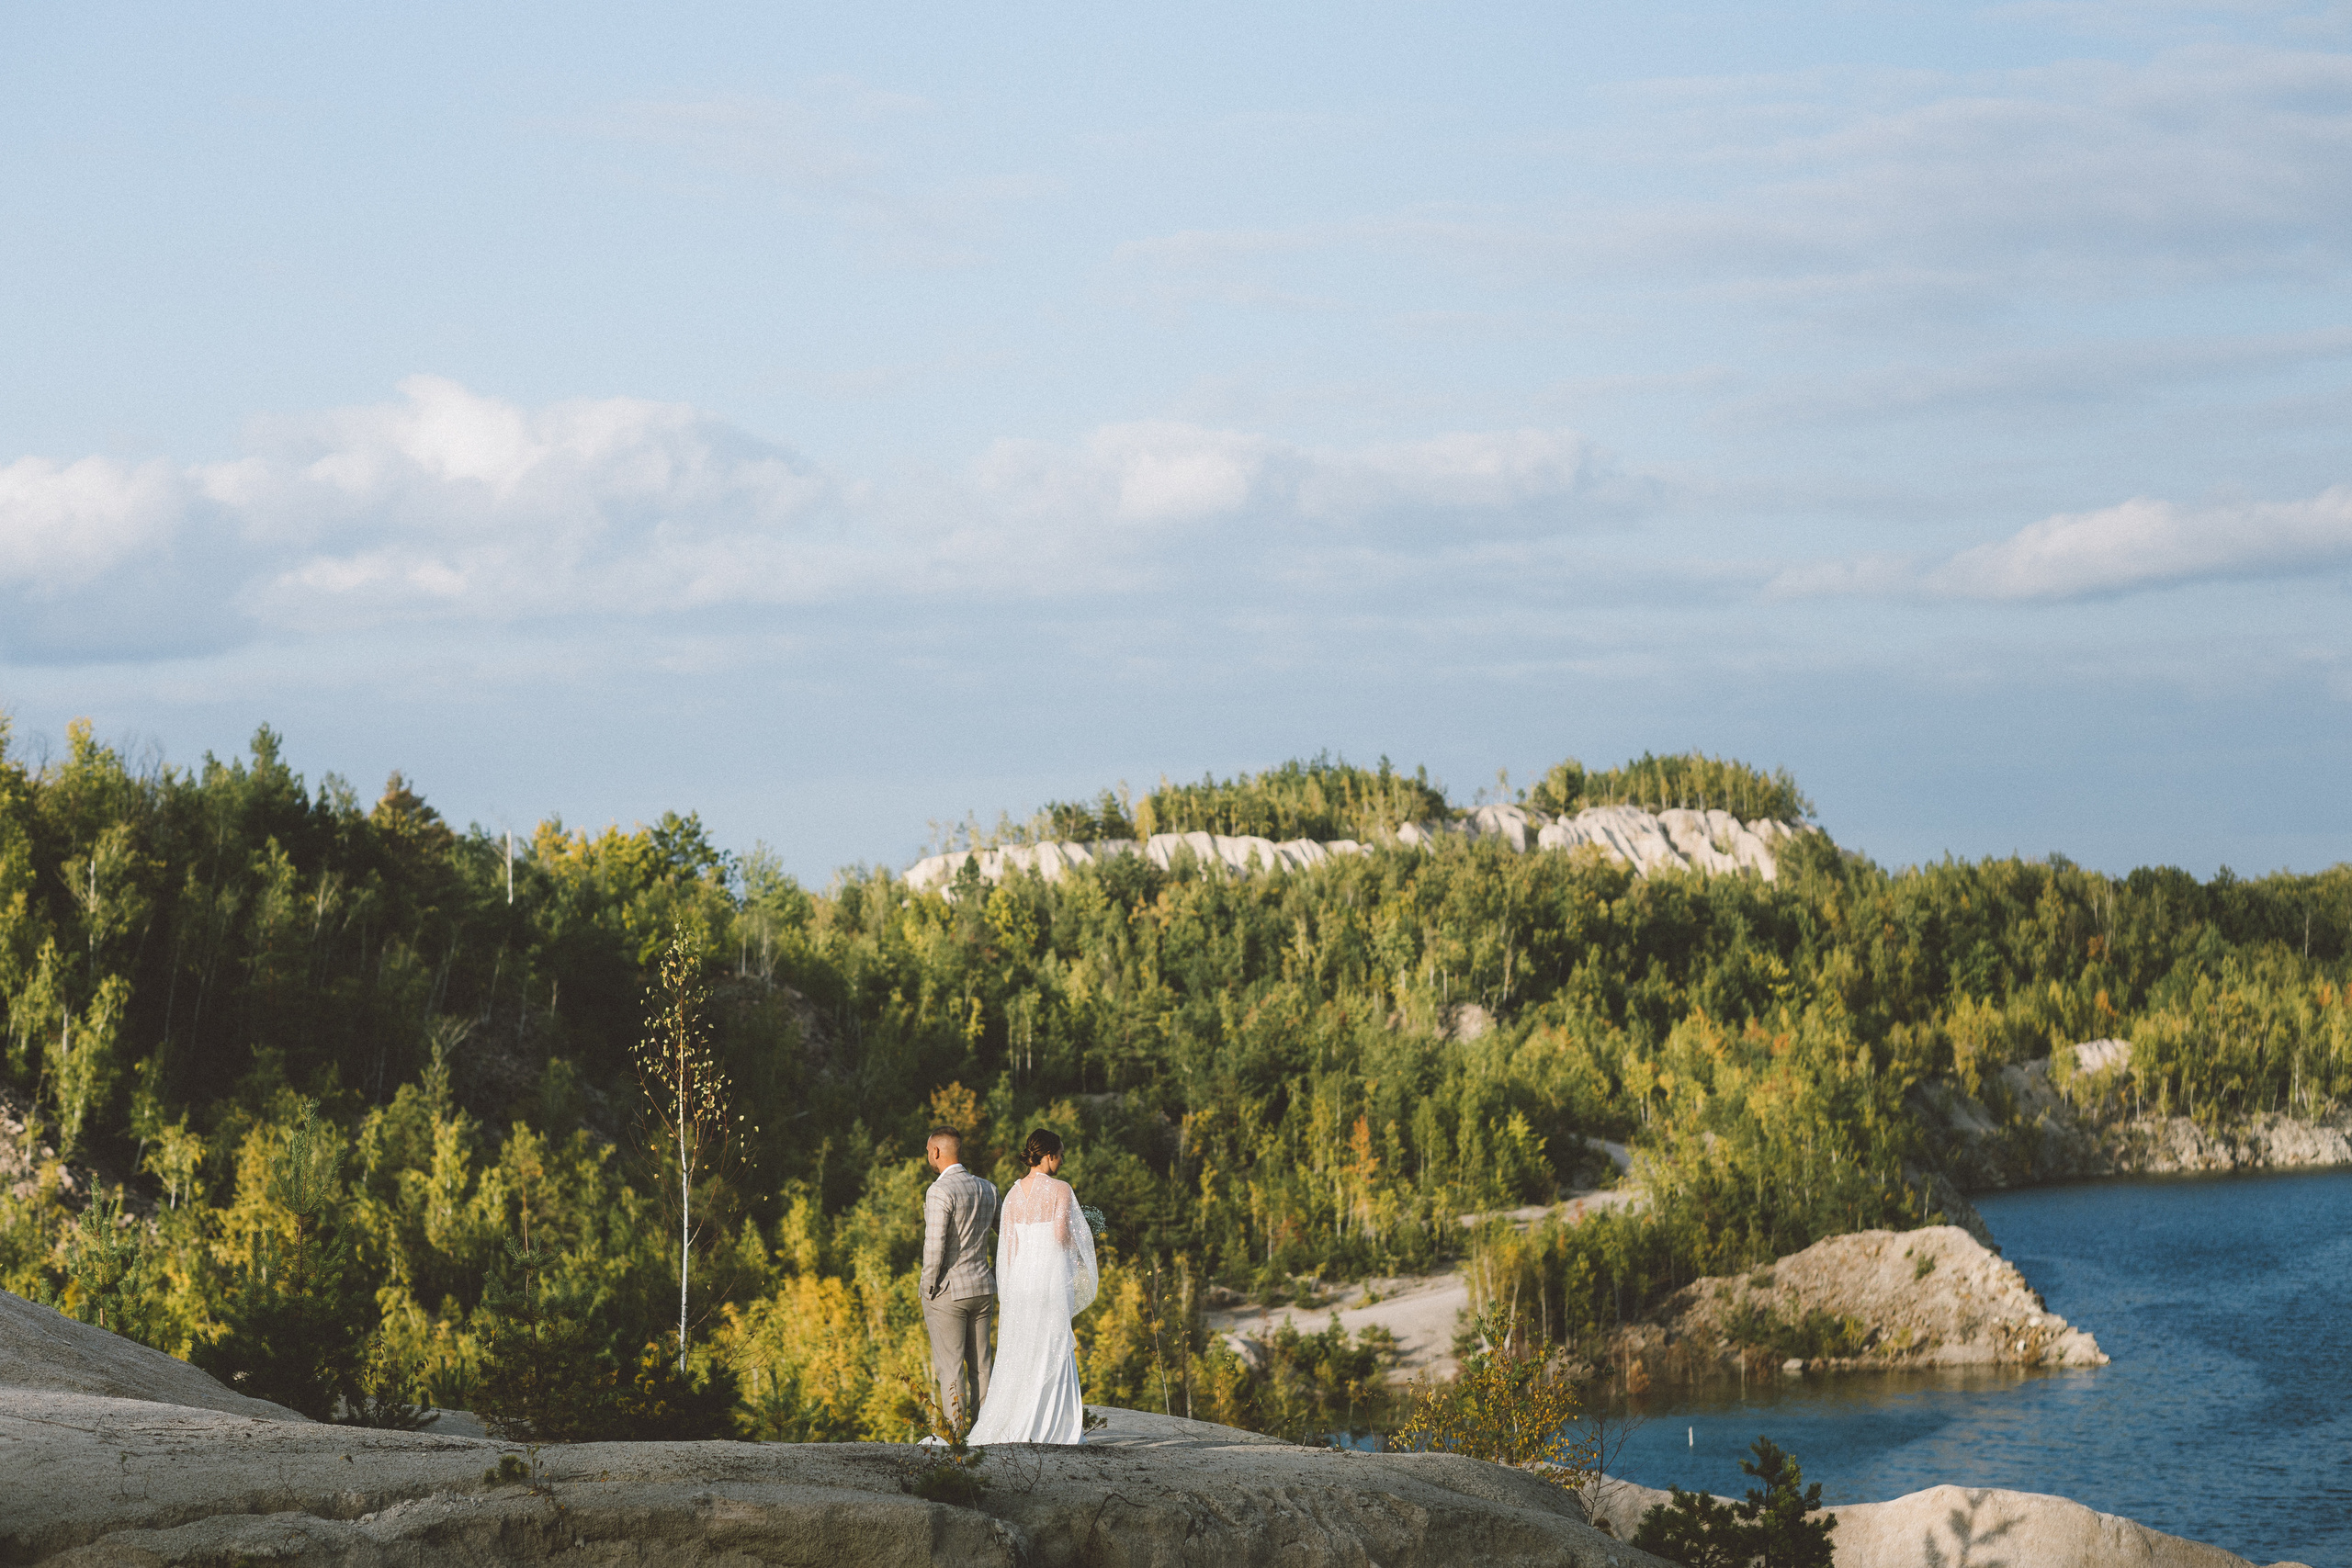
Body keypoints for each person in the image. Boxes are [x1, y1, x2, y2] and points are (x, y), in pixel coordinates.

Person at [965, 1127, 1096, 1446]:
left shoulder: (1011, 1195)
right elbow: (1061, 1237)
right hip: (1048, 1280)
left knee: (1022, 1350)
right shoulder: (1061, 1190)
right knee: (1051, 1345)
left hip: (1022, 1282)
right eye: (1061, 1154)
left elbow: (1008, 1249)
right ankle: (1051, 1427)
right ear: (1049, 1155)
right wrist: (1076, 1264)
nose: (1062, 1161)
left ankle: (1019, 1420)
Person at [920, 1124, 999, 1434]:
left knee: (951, 1368)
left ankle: (957, 1437)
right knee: (982, 1367)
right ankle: (988, 1433)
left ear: (936, 1152)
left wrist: (928, 1287)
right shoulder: (988, 1188)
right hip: (983, 1287)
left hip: (949, 1292)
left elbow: (935, 1245)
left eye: (929, 1152)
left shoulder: (939, 1190)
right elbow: (1004, 1234)